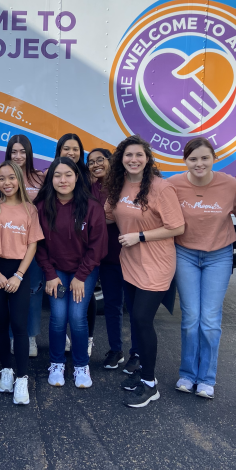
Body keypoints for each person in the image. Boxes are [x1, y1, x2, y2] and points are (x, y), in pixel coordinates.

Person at [103, 136, 185, 408]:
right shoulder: (120, 186)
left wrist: (140, 236)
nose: (133, 160)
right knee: (137, 322)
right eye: (128, 155)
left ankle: (150, 383)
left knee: (141, 320)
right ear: (121, 160)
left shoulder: (162, 188)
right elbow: (110, 216)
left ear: (147, 158)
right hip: (131, 264)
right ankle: (143, 373)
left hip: (157, 263)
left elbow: (177, 227)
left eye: (139, 155)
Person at [167, 138, 236, 399]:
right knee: (190, 318)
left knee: (209, 320)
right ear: (185, 161)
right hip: (185, 253)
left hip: (218, 255)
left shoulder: (230, 184)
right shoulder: (173, 184)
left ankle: (207, 378)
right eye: (193, 159)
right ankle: (187, 374)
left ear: (214, 158)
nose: (199, 164)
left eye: (204, 158)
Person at [35, 157, 107, 389]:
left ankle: (80, 365)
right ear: (50, 179)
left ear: (77, 177)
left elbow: (97, 246)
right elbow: (39, 245)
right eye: (57, 175)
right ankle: (56, 363)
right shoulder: (42, 206)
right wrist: (49, 274)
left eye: (68, 174)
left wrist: (81, 277)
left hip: (83, 271)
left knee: (77, 318)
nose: (63, 180)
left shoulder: (92, 206)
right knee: (57, 318)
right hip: (55, 270)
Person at [0, 162, 44, 404]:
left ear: (19, 179)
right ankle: (7, 370)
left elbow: (32, 244)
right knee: (1, 324)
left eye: (11, 178)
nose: (6, 182)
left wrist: (19, 275)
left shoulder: (29, 209)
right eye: (2, 178)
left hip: (19, 271)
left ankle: (22, 378)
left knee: (19, 325)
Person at [89, 147, 139, 374]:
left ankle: (137, 352)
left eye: (100, 160)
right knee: (111, 305)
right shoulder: (88, 188)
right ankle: (115, 349)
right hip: (98, 255)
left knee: (135, 306)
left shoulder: (122, 187)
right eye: (91, 162)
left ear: (111, 162)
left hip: (123, 253)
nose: (96, 164)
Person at [55, 133, 96, 355]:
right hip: (60, 259)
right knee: (60, 315)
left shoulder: (87, 178)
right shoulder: (52, 177)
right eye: (66, 148)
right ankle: (62, 350)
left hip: (86, 254)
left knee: (81, 308)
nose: (71, 153)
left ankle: (85, 340)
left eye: (76, 149)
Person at [6, 135, 44, 357]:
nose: (18, 156)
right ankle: (13, 337)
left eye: (22, 152)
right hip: (9, 246)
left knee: (33, 292)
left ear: (29, 154)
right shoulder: (4, 176)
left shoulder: (39, 179)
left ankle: (31, 337)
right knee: (11, 293)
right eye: (14, 152)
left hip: (34, 244)